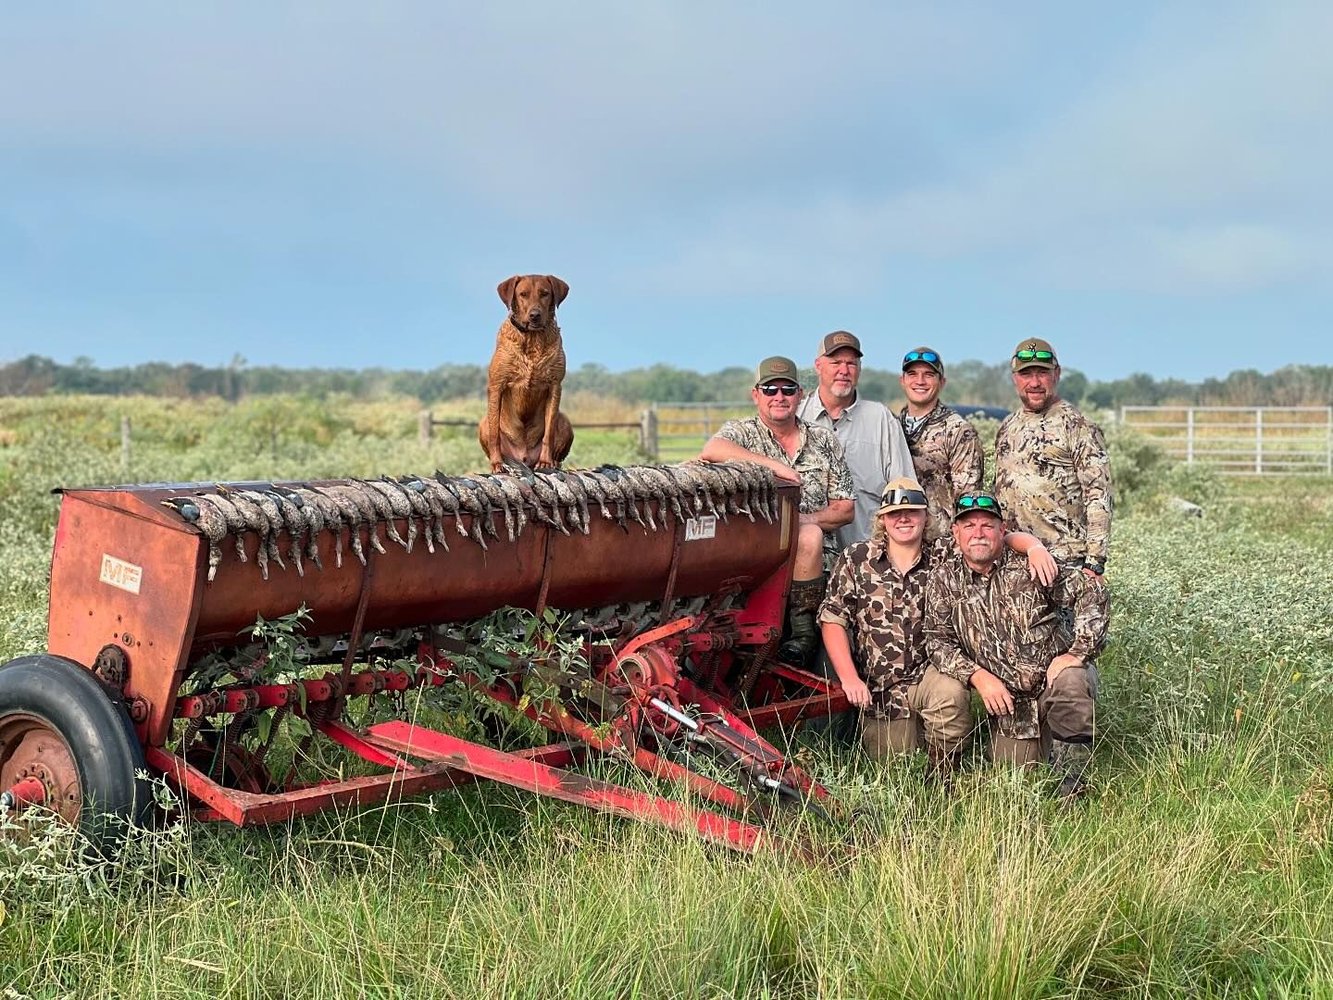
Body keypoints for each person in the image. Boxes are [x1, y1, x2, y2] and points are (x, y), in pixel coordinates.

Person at [821, 477, 1056, 781]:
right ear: (882, 519)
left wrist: (1035, 547)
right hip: (881, 686)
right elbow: (832, 619)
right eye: (895, 513)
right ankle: (920, 757)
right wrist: (850, 678)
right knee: (895, 771)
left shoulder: (945, 553)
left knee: (951, 695)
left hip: (930, 673)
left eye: (913, 511)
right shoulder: (856, 560)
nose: (903, 518)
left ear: (925, 516)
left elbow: (994, 538)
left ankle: (944, 775)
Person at [924, 490, 1109, 799]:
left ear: (1002, 530)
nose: (978, 533)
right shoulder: (944, 579)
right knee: (1016, 777)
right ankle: (1044, 749)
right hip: (1012, 706)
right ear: (956, 533)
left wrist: (1077, 653)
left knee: (1073, 680)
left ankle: (1073, 786)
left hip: (1052, 685)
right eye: (969, 526)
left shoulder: (1031, 565)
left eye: (987, 525)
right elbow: (937, 640)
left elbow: (1093, 593)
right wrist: (977, 676)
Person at [700, 356, 854, 664]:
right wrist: (774, 466)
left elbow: (845, 509)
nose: (779, 397)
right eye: (770, 390)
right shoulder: (742, 433)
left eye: (787, 389)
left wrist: (800, 521)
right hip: (757, 559)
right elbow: (712, 450)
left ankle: (804, 635)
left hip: (819, 564)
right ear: (756, 395)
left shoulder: (823, 439)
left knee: (809, 536)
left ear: (800, 395)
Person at [994, 338, 1113, 580]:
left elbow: (1098, 495)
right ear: (1015, 377)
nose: (1035, 382)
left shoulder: (1078, 426)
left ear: (1056, 374)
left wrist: (1094, 563)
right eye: (1027, 374)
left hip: (1065, 562)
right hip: (1015, 561)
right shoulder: (1007, 426)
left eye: (1043, 373)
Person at [796, 331, 915, 551]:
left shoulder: (881, 419)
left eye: (851, 363)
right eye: (836, 362)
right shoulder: (796, 416)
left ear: (859, 369)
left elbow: (904, 491)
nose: (844, 371)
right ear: (818, 365)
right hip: (807, 556)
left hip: (868, 557)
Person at [897, 346, 984, 540]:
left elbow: (968, 499)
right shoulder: (890, 427)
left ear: (942, 382)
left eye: (929, 375)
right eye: (912, 374)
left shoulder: (959, 431)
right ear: (902, 381)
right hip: (899, 541)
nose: (920, 381)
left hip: (940, 546)